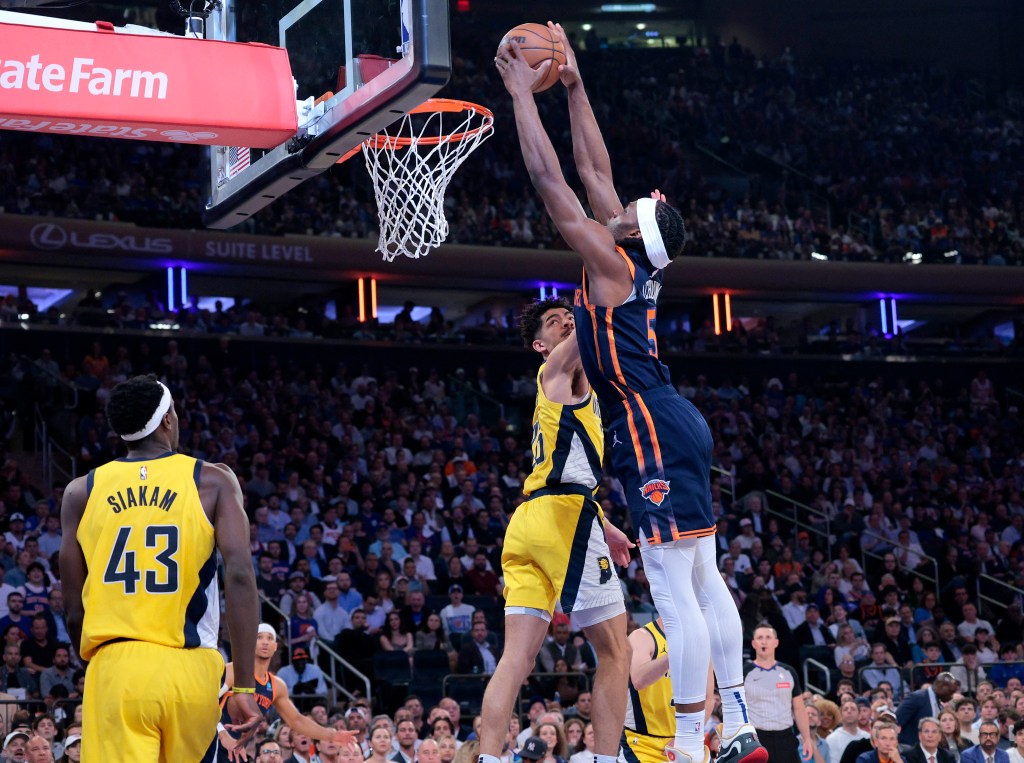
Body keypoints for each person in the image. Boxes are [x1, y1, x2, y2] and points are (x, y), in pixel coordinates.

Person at [494, 28, 763, 763]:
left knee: (676, 592)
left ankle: (689, 739)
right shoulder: (633, 258)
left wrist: (523, 96)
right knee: (705, 576)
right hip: (674, 420)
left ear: (632, 229)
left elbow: (555, 184)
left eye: (635, 204)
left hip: (648, 425)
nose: (627, 197)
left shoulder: (611, 267)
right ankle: (735, 714)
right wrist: (575, 86)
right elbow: (590, 163)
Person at [59, 374, 260, 761]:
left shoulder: (80, 491)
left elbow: (72, 611)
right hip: (191, 669)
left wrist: (103, 669)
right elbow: (239, 575)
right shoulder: (212, 480)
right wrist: (245, 688)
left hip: (117, 666)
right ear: (168, 419)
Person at [475, 296, 631, 763]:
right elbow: (591, 331)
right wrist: (602, 279)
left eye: (566, 315)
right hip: (561, 520)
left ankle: (488, 758)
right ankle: (606, 760)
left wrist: (607, 525)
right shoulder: (557, 371)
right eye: (554, 321)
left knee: (517, 660)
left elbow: (565, 471)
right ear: (540, 344)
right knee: (616, 652)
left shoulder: (567, 385)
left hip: (532, 521)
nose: (565, 320)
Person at [216, 624, 354, 760]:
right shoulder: (234, 671)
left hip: (234, 749)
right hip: (212, 739)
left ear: (275, 646)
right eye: (259, 637)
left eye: (270, 638)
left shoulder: (277, 685)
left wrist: (331, 735)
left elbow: (297, 720)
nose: (265, 642)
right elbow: (206, 703)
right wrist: (223, 735)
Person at [743, 625, 814, 763]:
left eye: (768, 637)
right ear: (753, 643)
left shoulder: (789, 672)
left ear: (776, 642)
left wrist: (807, 739)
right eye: (759, 638)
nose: (764, 641)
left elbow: (799, 710)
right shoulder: (745, 673)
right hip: (756, 739)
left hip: (786, 738)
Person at [896, 674, 960, 747]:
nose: (951, 696)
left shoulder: (940, 705)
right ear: (940, 686)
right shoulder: (917, 698)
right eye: (950, 691)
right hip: (910, 750)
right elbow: (897, 721)